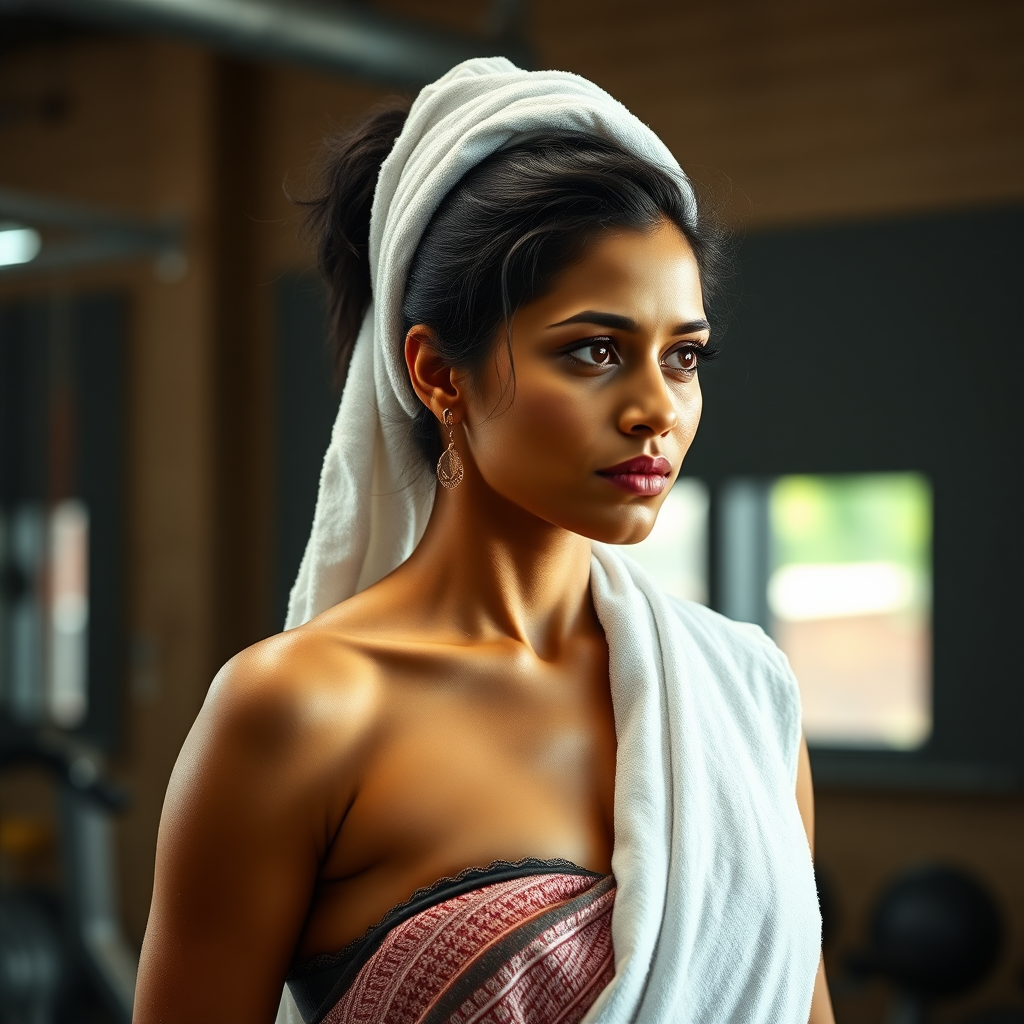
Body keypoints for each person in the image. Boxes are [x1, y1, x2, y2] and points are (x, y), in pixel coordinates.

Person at [135, 59, 834, 1024]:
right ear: (437, 373)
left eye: (683, 356)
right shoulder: (299, 712)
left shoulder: (745, 695)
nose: (655, 411)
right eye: (594, 350)